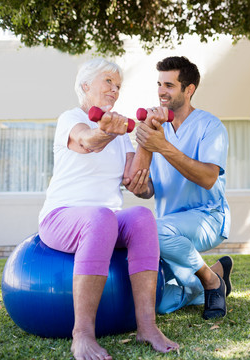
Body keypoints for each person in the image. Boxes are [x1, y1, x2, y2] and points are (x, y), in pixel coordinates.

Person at [38, 58, 179, 359]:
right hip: (62, 216)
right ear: (85, 85)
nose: (114, 90)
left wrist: (147, 135)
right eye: (108, 82)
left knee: (142, 216)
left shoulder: (120, 132)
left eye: (118, 86)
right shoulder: (71, 118)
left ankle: (147, 326)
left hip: (105, 221)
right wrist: (105, 132)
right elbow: (87, 141)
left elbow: (135, 183)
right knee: (102, 217)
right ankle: (83, 334)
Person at [126, 56, 233, 320]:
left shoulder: (210, 126)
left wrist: (163, 146)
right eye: (160, 84)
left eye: (170, 85)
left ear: (189, 89)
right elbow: (146, 189)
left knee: (153, 229)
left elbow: (209, 178)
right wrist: (140, 185)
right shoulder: (157, 127)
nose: (162, 91)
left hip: (208, 218)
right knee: (161, 303)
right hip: (168, 229)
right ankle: (216, 272)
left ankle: (211, 282)